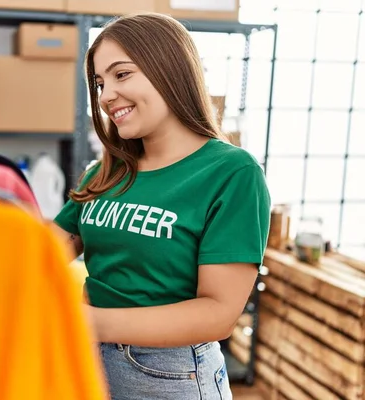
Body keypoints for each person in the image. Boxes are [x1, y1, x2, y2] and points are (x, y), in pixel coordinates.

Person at [53, 12, 271, 400]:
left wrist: (88, 322)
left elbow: (218, 313)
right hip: (85, 363)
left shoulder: (232, 173)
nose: (104, 96)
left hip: (168, 377)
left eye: (122, 75)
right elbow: (43, 250)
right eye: (100, 83)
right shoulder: (107, 171)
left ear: (170, 69)